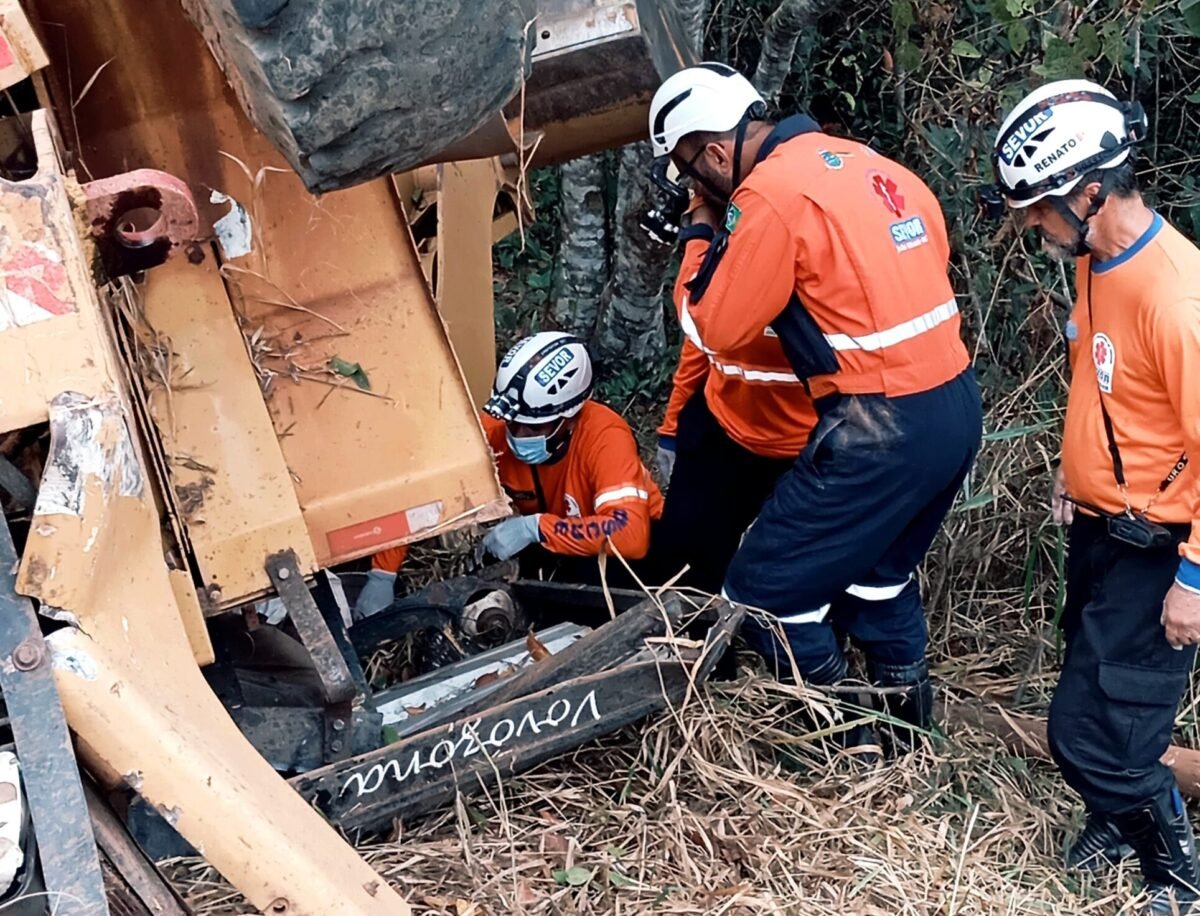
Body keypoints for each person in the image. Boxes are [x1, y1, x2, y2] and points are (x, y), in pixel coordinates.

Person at [646, 63, 981, 743]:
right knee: (879, 581)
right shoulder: (867, 164)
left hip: (876, 426)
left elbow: (710, 326)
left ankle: (848, 737)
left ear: (714, 152)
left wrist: (702, 235)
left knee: (764, 593)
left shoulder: (769, 197)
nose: (693, 188)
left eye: (689, 172)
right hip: (954, 405)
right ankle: (908, 730)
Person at [993, 79, 1200, 914]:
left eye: (1039, 208)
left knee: (1092, 730)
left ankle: (1175, 870)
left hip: (1161, 547)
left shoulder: (1175, 298)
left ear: (1089, 190)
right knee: (1090, 683)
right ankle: (1117, 821)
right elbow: (1101, 380)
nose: (1032, 226)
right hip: (1102, 526)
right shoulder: (1096, 263)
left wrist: (1195, 577)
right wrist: (1073, 469)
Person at [357, 332, 664, 614]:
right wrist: (382, 575)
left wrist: (534, 528)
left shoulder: (605, 437)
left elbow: (631, 536)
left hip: (627, 553)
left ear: (569, 419)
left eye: (532, 426)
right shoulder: (493, 428)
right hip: (553, 539)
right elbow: (423, 485)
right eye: (512, 422)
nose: (517, 434)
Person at [650, 288, 818, 594]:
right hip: (722, 426)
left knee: (792, 572)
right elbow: (700, 338)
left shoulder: (845, 264)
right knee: (683, 559)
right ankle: (689, 632)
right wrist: (672, 427)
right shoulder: (732, 248)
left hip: (808, 448)